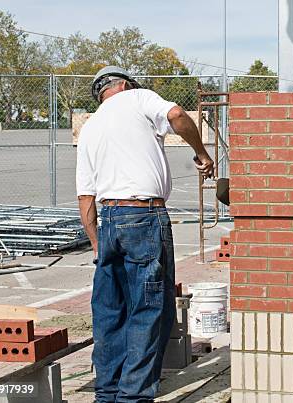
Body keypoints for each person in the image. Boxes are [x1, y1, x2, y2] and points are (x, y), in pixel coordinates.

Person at [76, 66, 214, 402]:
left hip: (108, 220)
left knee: (110, 311)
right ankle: (132, 397)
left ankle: (107, 393)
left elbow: (85, 197)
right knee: (149, 309)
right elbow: (178, 115)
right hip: (144, 215)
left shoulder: (91, 126)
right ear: (123, 84)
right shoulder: (138, 98)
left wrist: (97, 244)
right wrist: (202, 152)